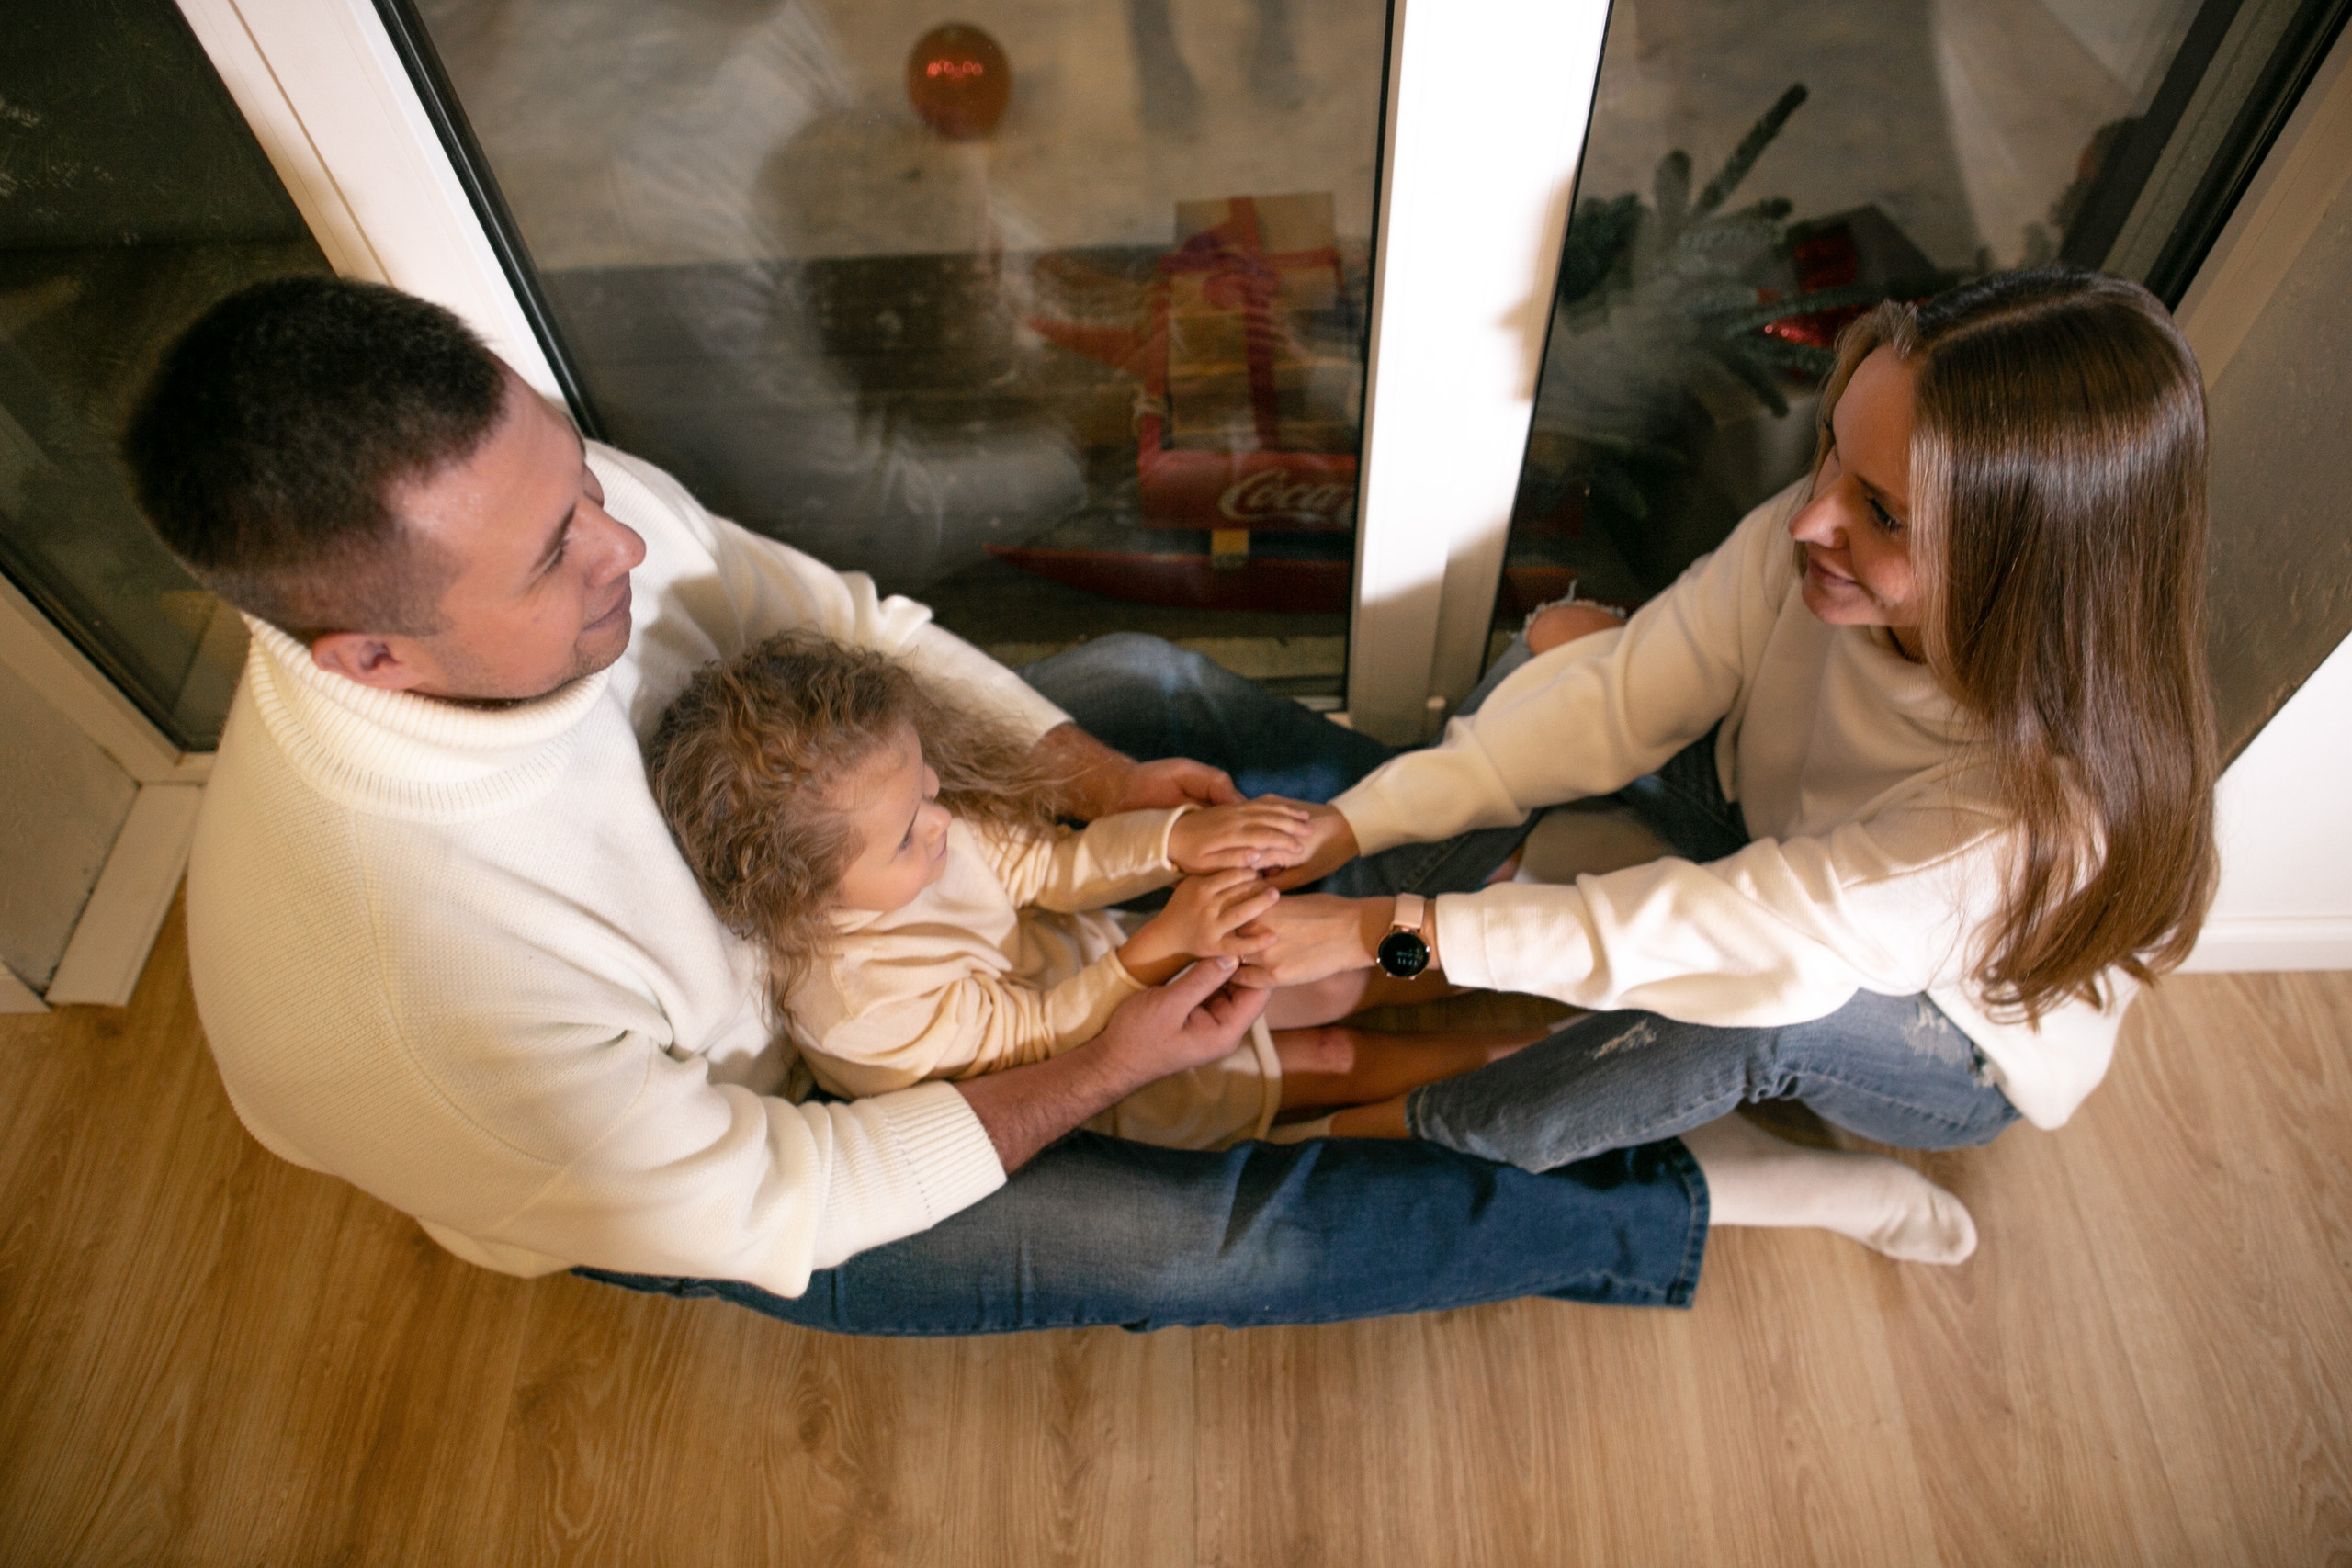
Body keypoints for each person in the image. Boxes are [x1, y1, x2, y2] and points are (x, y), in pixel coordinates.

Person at [122, 276, 1976, 1340]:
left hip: (862, 843)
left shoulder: (555, 515)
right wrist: (1101, 1048)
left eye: (581, 475)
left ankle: (1491, 895)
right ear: (371, 655)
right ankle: (1670, 1198)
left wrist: (1106, 798)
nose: (621, 534)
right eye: (556, 550)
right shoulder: (429, 993)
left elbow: (836, 627)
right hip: (770, 1122)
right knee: (1201, 1231)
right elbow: (780, 1176)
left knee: (1155, 700)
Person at [1247, 270, 2218, 1183]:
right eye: (1834, 447)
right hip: (1778, 837)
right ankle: (1345, 971)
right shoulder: (1816, 535)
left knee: (1766, 1008)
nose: (1809, 520)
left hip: (1939, 1029)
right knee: (1566, 648)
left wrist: (1393, 930)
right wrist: (1356, 827)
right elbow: (1617, 703)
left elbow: (1741, 939)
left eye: (1878, 513)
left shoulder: (2013, 821)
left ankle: (1412, 1122)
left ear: (2019, 571)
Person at [643, 634, 1538, 1152]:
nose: (943, 820)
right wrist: (1165, 943)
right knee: (1338, 1058)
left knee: (1344, 975)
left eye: (927, 787)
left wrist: (1175, 838)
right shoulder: (856, 1015)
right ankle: (1536, 1060)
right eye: (912, 830)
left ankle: (1524, 958)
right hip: (1127, 1080)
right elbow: (1033, 1051)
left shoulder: (909, 829)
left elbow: (1049, 869)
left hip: (1114, 969)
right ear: (803, 895)